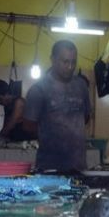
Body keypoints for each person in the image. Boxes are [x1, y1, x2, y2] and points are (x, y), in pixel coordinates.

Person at [22, 40, 91, 172]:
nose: (70, 67)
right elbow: (28, 125)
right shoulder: (39, 89)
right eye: (65, 62)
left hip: (79, 165)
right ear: (53, 59)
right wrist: (52, 135)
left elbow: (86, 117)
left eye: (73, 62)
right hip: (49, 166)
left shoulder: (81, 86)